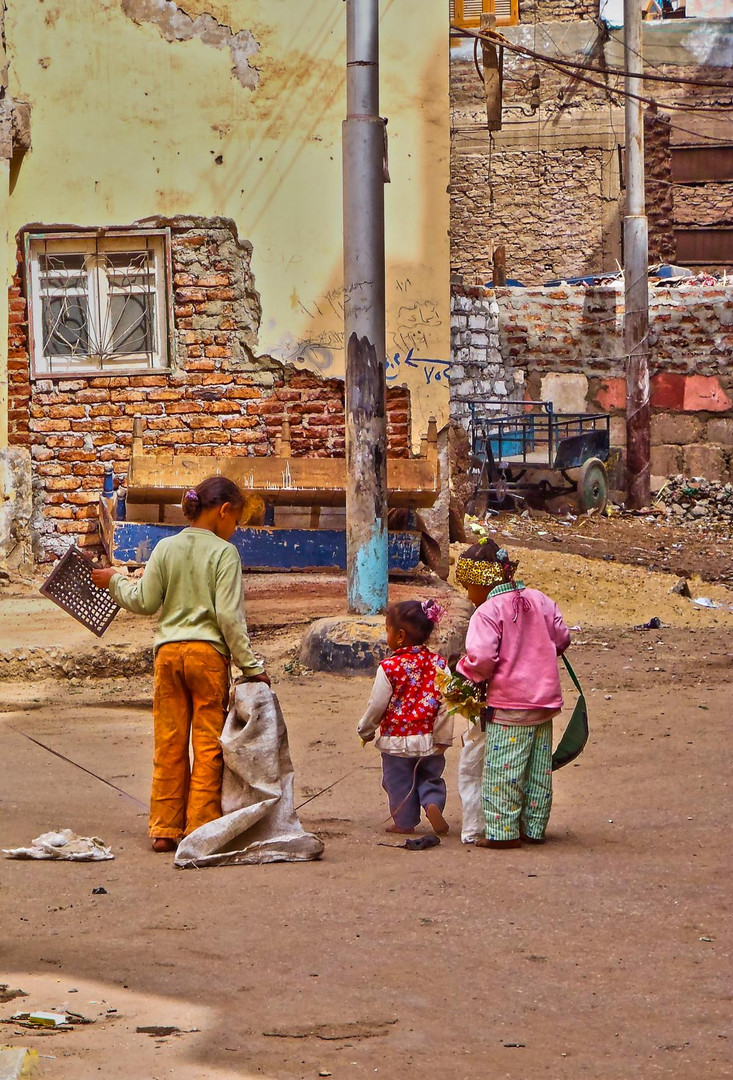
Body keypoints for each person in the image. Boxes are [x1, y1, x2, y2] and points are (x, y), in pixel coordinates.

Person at [92, 477, 270, 853]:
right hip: (207, 659)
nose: (235, 530)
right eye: (236, 521)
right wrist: (251, 667)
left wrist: (114, 582)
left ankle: (164, 829)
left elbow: (142, 600)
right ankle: (199, 827)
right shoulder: (224, 554)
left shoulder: (165, 547)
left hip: (168, 656)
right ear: (223, 512)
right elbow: (229, 618)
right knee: (207, 746)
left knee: (169, 743)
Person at [454, 539, 570, 849]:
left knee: (502, 771)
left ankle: (503, 834)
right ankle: (533, 829)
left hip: (509, 706)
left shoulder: (487, 612)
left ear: (483, 582)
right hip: (544, 703)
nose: (468, 595)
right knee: (537, 770)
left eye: (468, 586)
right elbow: (561, 637)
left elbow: (481, 659)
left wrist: (464, 672)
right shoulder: (541, 600)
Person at [357, 599, 453, 836]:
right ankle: (432, 802)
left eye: (387, 630)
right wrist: (443, 737)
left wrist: (366, 729)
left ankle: (405, 822)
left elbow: (377, 704)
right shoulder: (439, 664)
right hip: (431, 739)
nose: (386, 634)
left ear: (400, 636)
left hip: (397, 742)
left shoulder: (389, 667)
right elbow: (447, 702)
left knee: (398, 782)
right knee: (430, 776)